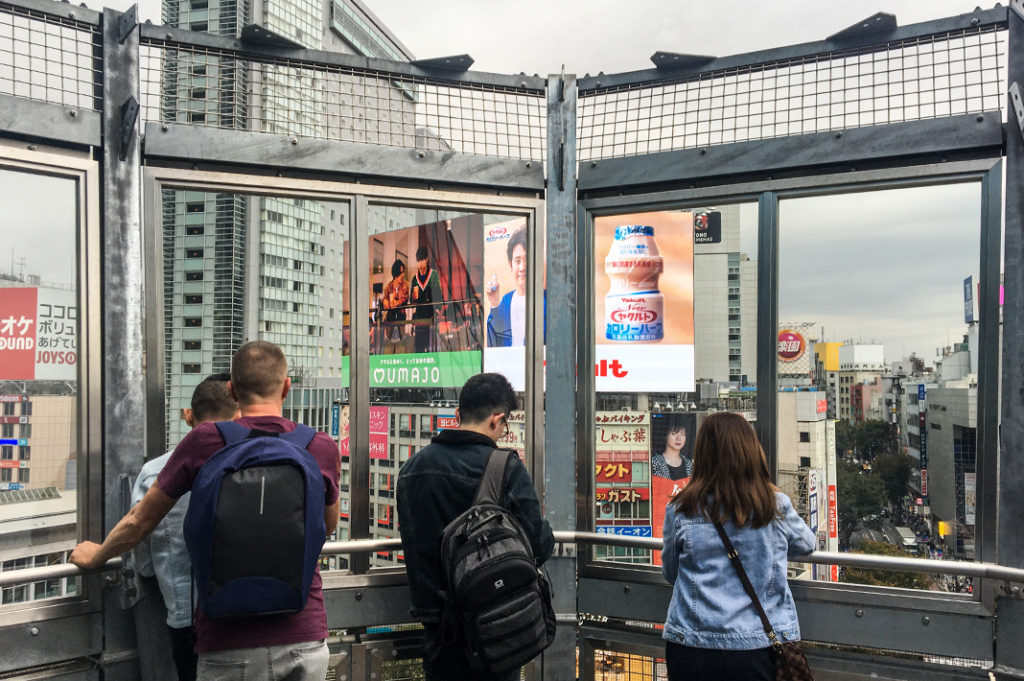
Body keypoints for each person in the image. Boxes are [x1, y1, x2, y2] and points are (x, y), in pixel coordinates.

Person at [70, 341, 341, 681]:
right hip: (304, 634)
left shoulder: (205, 441)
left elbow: (140, 520)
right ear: (287, 386)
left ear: (232, 389)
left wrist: (98, 555)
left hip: (226, 640)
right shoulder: (320, 446)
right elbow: (326, 527)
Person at [396, 372, 554, 681]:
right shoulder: (503, 466)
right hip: (494, 625)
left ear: (457, 414)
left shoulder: (411, 469)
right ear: (497, 420)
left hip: (438, 630)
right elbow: (540, 542)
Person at [661, 412, 815, 681]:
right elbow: (806, 544)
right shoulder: (773, 505)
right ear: (751, 451)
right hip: (755, 647)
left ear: (703, 454)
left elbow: (671, 573)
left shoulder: (681, 509)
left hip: (691, 646)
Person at [131, 373, 239, 681]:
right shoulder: (258, 463)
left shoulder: (154, 473)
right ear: (239, 417)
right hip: (250, 616)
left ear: (188, 416)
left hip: (187, 620)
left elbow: (145, 562)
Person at [485, 226, 545, 346]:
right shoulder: (506, 301)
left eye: (527, 259)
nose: (523, 267)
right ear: (510, 265)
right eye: (517, 261)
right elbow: (493, 346)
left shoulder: (549, 302)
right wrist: (494, 305)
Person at [411, 245, 443, 353]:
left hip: (431, 317)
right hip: (419, 319)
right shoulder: (414, 279)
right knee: (418, 349)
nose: (420, 263)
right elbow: (413, 300)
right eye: (418, 261)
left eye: (422, 260)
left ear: (426, 260)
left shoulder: (433, 275)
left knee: (431, 348)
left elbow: (438, 294)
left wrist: (437, 309)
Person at [651, 413, 693, 480]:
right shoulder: (655, 463)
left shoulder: (689, 465)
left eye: (683, 434)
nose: (678, 438)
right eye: (674, 433)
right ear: (665, 436)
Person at [381, 258, 409, 352]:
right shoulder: (388, 287)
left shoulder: (405, 285)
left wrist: (397, 302)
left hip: (401, 322)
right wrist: (385, 302)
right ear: (395, 274)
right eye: (401, 273)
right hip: (390, 323)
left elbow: (405, 298)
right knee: (388, 351)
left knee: (401, 350)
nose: (402, 275)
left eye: (403, 272)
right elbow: (384, 299)